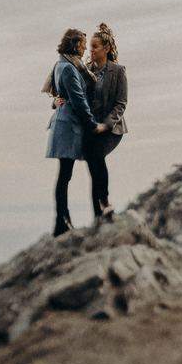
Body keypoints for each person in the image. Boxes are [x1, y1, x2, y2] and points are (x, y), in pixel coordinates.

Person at [44, 28, 103, 235]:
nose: (86, 47)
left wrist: (55, 102)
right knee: (64, 175)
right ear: (75, 44)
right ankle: (61, 222)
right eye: (83, 43)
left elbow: (60, 95)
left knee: (64, 175)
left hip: (64, 123)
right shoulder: (69, 68)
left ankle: (62, 220)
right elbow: (78, 100)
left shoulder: (61, 64)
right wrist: (92, 125)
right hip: (68, 125)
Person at [83, 23, 127, 224]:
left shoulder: (118, 71)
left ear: (106, 49)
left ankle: (104, 202)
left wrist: (105, 125)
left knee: (96, 155)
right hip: (91, 129)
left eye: (94, 46)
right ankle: (99, 214)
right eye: (90, 46)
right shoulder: (84, 71)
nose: (90, 50)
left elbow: (120, 104)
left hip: (111, 129)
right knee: (93, 163)